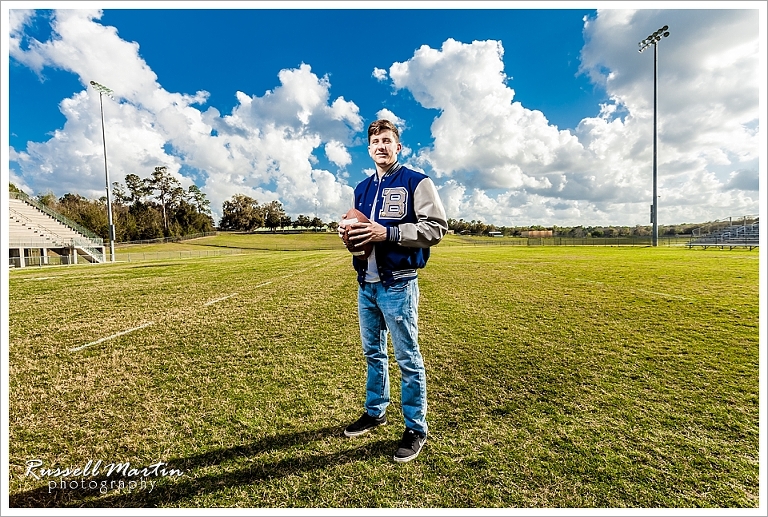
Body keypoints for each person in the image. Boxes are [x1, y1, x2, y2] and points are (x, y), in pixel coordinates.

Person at [341, 119, 447, 463]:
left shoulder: (417, 181)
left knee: (407, 357)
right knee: (374, 354)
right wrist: (349, 236)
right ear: (369, 149)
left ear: (397, 147)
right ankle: (375, 411)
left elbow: (436, 228)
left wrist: (387, 234)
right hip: (366, 284)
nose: (381, 147)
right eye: (375, 142)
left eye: (387, 141)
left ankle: (416, 427)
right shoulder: (361, 188)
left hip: (398, 283)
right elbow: (362, 232)